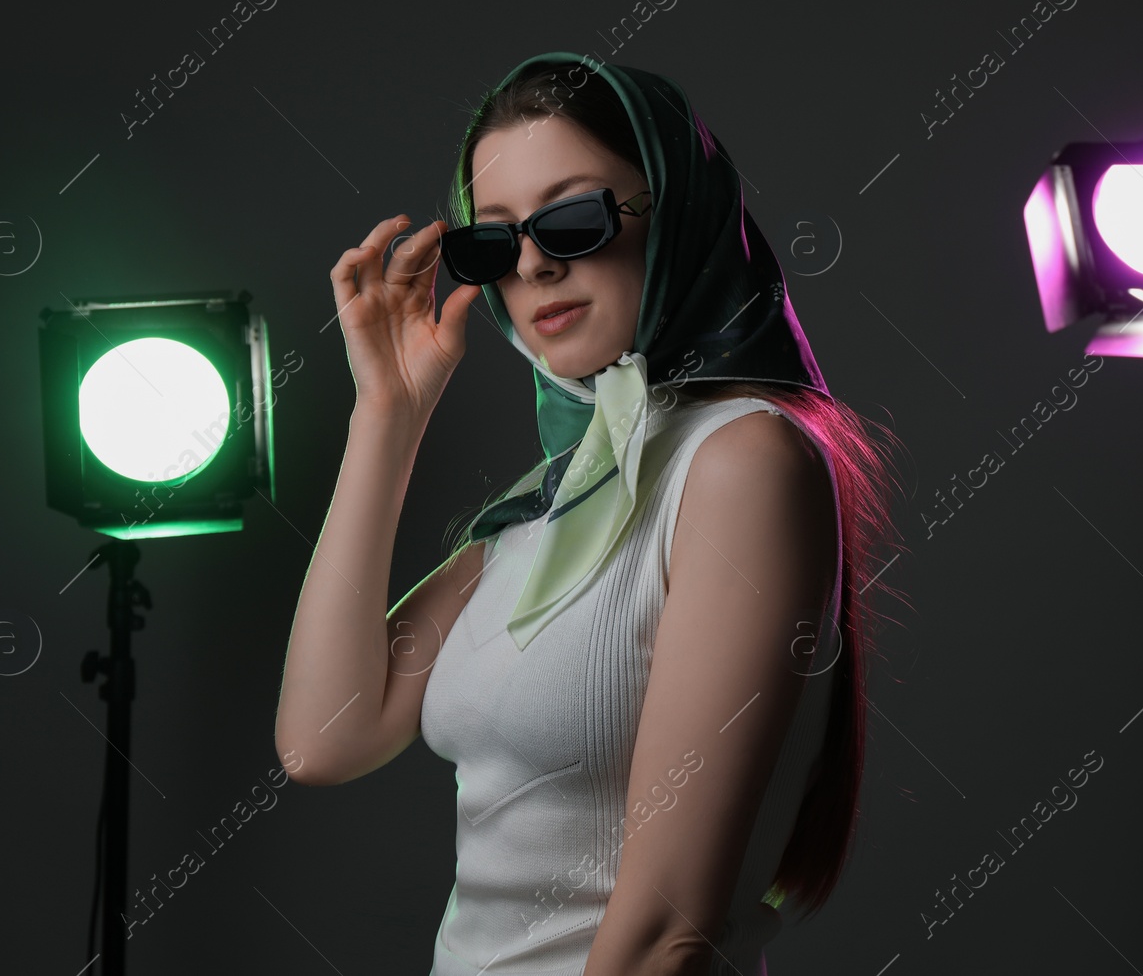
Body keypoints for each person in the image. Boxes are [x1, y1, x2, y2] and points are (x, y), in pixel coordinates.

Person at [274, 52, 906, 975]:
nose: (531, 264)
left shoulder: (744, 461)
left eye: (572, 219)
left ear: (675, 212)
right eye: (491, 244)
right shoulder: (554, 497)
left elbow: (664, 935)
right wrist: (388, 417)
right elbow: (324, 736)